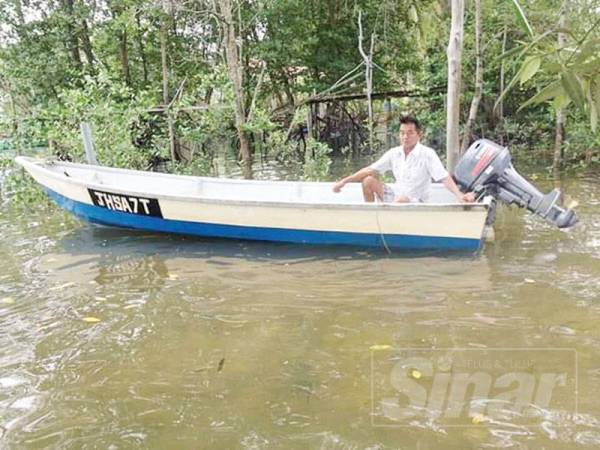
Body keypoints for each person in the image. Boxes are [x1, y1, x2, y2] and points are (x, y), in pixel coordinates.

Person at [332, 116, 475, 203]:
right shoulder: (394, 153)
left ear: (419, 134)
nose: (405, 137)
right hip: (396, 196)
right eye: (402, 133)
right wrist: (344, 181)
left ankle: (391, 218)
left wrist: (459, 195)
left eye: (410, 133)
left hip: (416, 201)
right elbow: (370, 170)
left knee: (402, 200)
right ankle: (372, 218)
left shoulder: (427, 154)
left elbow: (444, 177)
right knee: (368, 180)